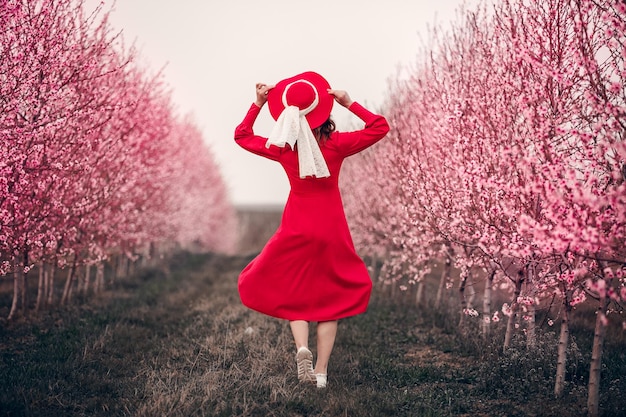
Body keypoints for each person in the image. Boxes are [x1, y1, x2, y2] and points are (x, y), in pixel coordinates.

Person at [234, 71, 389, 388]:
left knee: (296, 292)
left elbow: (242, 135)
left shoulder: (283, 147)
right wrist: (349, 103)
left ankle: (302, 347)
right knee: (329, 299)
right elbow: (380, 127)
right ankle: (321, 373)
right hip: (331, 226)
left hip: (297, 225)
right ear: (323, 111)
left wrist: (258, 104)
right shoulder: (337, 144)